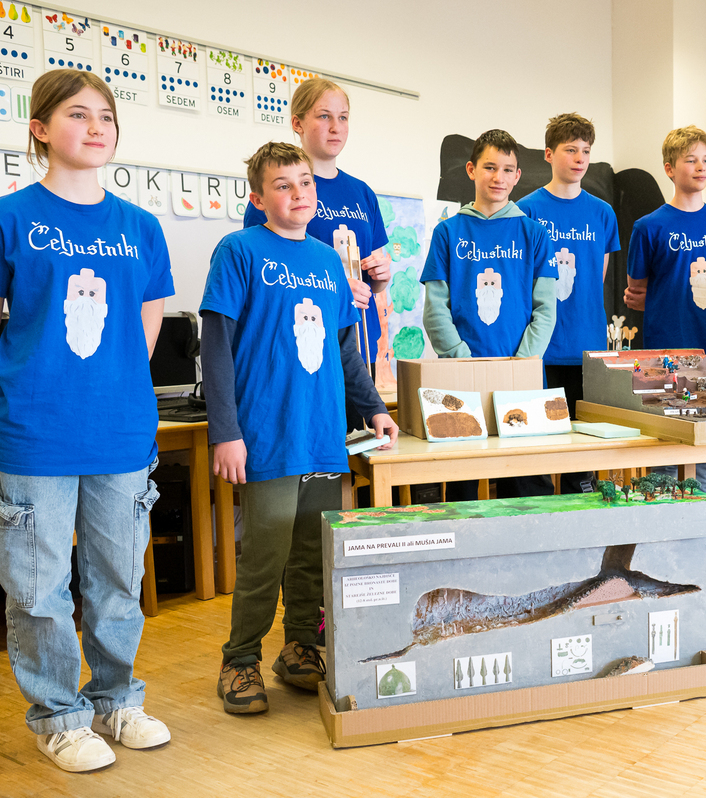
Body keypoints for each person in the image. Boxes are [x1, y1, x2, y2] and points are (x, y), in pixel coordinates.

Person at [0, 69, 173, 772]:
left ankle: (116, 701)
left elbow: (144, 332)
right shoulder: (4, 219)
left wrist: (108, 392)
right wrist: (22, 399)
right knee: (38, 589)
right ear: (41, 129)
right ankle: (59, 716)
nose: (96, 126)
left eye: (106, 115)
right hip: (32, 437)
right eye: (78, 114)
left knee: (117, 582)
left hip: (121, 434)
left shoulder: (141, 227)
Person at [205, 141, 398, 714]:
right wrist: (225, 431)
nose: (298, 194)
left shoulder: (327, 262)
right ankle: (240, 659)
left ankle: (299, 647)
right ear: (257, 196)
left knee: (313, 548)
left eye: (305, 183)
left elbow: (345, 349)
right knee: (266, 549)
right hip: (266, 432)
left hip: (322, 433)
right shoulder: (239, 250)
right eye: (283, 185)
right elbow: (215, 347)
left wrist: (374, 408)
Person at [420, 129, 558, 501]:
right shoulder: (447, 232)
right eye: (490, 167)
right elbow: (435, 309)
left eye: (507, 169)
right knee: (462, 484)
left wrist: (521, 363)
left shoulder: (534, 234)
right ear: (471, 170)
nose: (498, 177)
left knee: (528, 485)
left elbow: (546, 309)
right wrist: (463, 362)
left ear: (517, 176)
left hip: (522, 377)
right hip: (461, 378)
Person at [243, 78, 388, 383]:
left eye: (343, 117)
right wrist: (334, 290)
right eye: (324, 116)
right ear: (297, 123)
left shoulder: (363, 193)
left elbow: (373, 281)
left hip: (359, 343)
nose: (336, 127)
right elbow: (266, 281)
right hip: (303, 339)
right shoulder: (277, 196)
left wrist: (380, 277)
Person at [625, 125, 706, 493]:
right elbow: (636, 289)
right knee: (667, 442)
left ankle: (698, 511)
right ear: (670, 169)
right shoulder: (648, 226)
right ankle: (663, 513)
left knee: (705, 444)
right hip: (668, 354)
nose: (700, 167)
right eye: (691, 160)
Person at [516, 113, 620, 494]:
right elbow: (521, 281)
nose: (580, 158)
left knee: (582, 453)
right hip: (540, 348)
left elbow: (597, 276)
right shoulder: (526, 210)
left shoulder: (603, 213)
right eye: (570, 150)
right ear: (549, 154)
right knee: (539, 444)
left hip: (588, 348)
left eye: (586, 151)